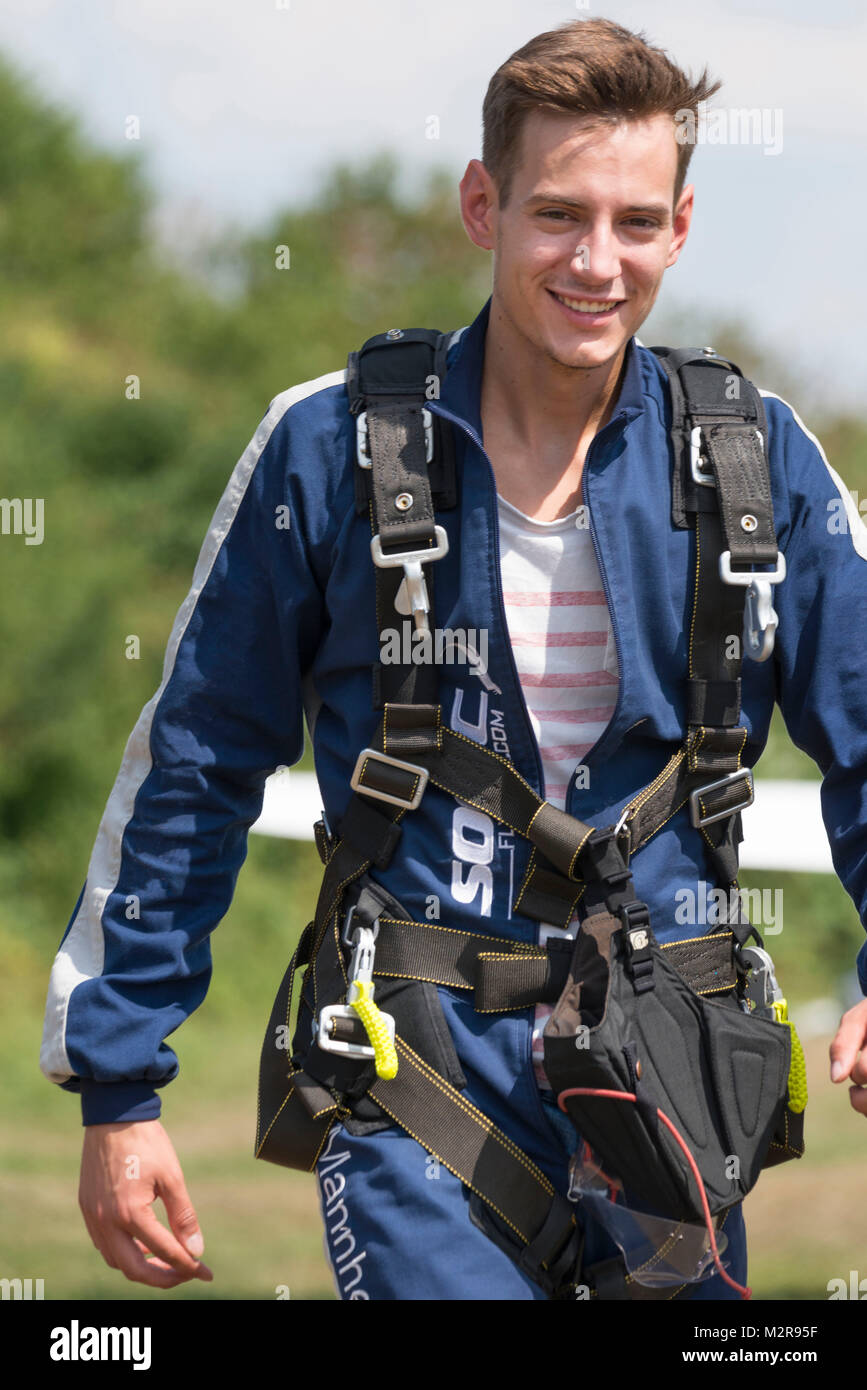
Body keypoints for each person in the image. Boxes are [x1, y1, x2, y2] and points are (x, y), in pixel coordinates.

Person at [41, 17, 867, 1301]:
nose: (598, 261)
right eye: (558, 214)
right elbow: (194, 763)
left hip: (681, 1090)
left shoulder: (753, 464)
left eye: (636, 222)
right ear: (482, 204)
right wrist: (119, 1081)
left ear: (683, 227)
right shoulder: (334, 450)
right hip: (419, 1086)